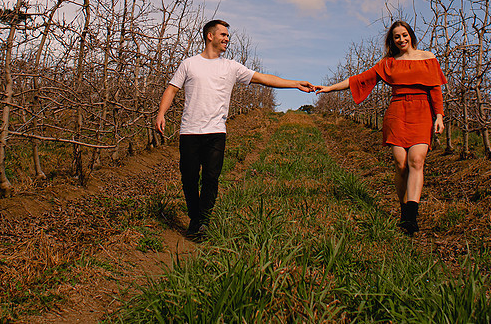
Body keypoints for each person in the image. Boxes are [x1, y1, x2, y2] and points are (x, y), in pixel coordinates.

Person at [155, 19, 314, 239]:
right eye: (223, 34)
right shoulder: (189, 64)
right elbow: (172, 89)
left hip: (216, 132)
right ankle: (194, 217)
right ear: (210, 36)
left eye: (227, 35)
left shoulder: (231, 67)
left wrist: (295, 83)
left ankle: (203, 222)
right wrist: (161, 113)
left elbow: (264, 79)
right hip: (190, 131)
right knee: (189, 178)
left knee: (211, 178)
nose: (227, 39)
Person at [315, 20, 445, 235]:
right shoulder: (389, 63)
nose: (401, 39)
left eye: (404, 35)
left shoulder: (428, 58)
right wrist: (330, 88)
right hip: (398, 112)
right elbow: (360, 79)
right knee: (401, 164)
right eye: (397, 37)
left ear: (411, 35)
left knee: (416, 160)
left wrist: (438, 116)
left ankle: (411, 219)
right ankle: (404, 210)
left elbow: (435, 89)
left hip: (422, 111)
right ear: (392, 40)